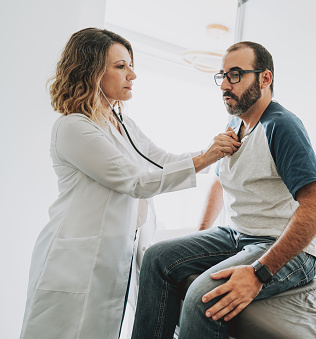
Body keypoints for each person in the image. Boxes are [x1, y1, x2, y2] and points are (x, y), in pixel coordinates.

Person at [19, 27, 240, 339]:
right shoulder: (74, 128)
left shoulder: (122, 124)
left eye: (131, 65)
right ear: (91, 71)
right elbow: (136, 182)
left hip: (111, 259)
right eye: (121, 66)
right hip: (74, 263)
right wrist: (205, 159)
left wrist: (213, 152)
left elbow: (162, 159)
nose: (132, 75)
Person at [131, 41, 316, 338]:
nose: (225, 84)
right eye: (223, 75)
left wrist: (259, 273)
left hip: (286, 249)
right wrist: (199, 236)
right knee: (157, 257)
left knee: (204, 296)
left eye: (236, 74)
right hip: (236, 236)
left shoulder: (281, 126)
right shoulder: (234, 124)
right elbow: (219, 182)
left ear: (265, 78)